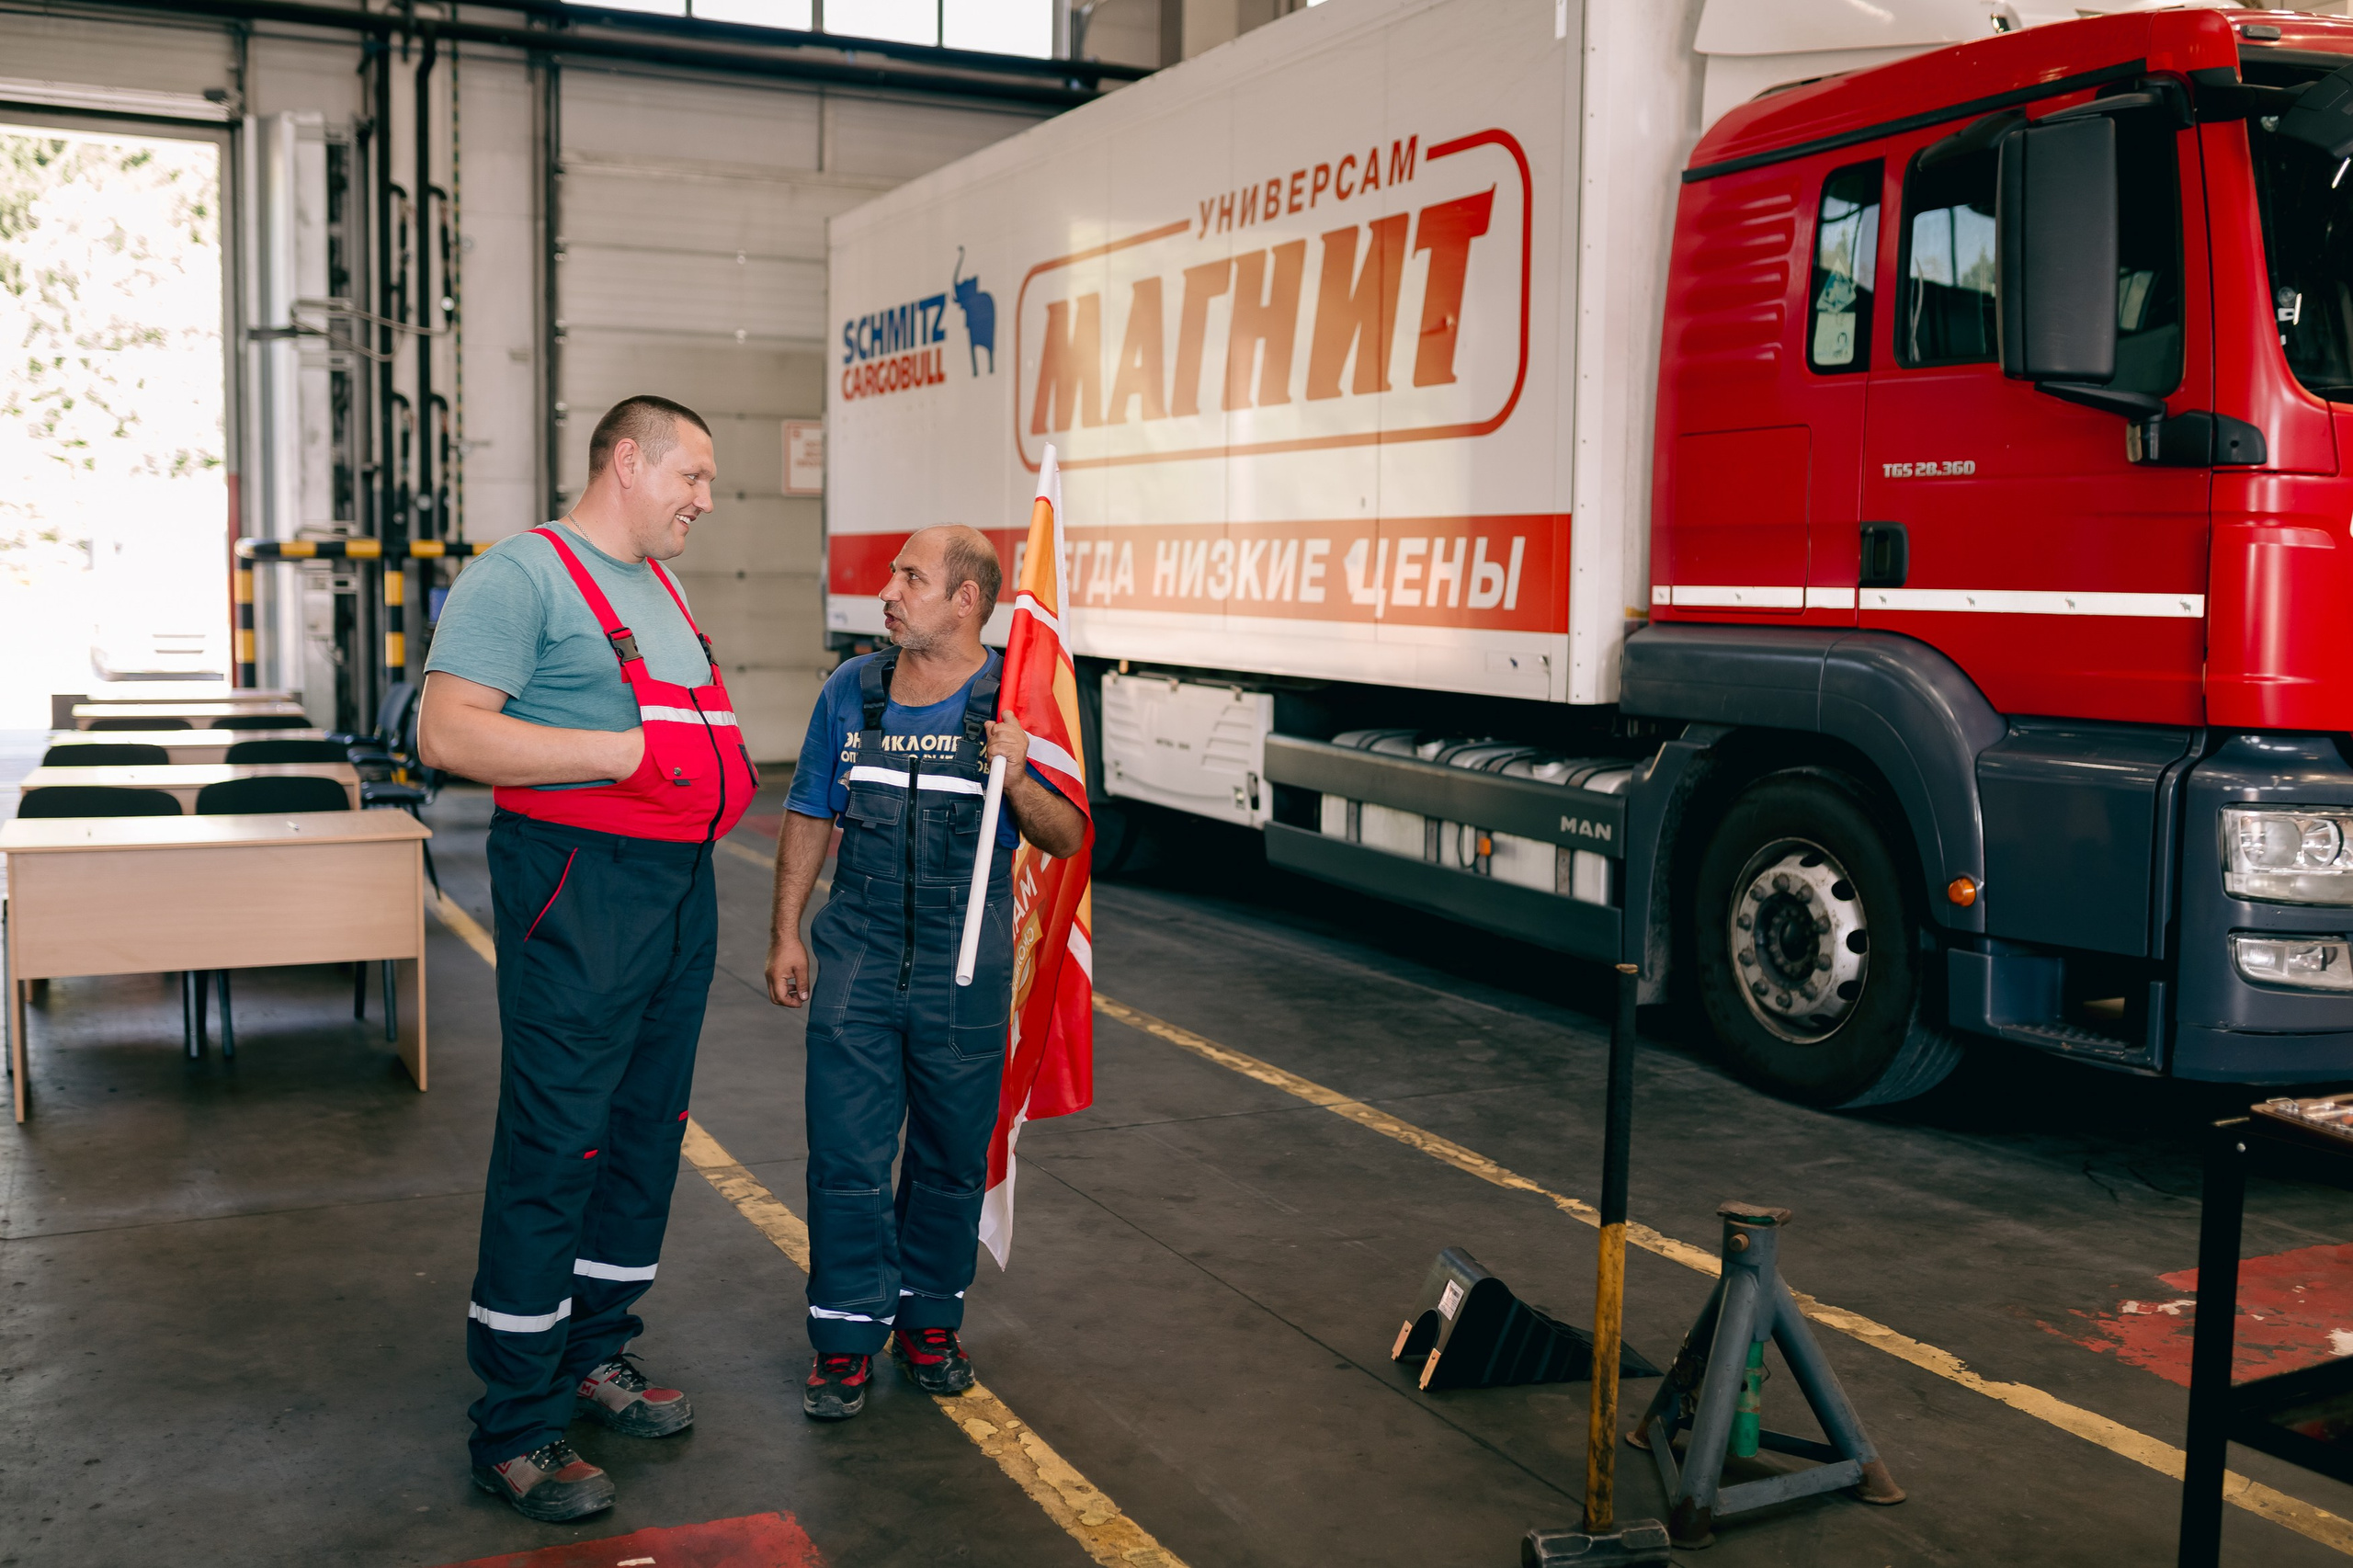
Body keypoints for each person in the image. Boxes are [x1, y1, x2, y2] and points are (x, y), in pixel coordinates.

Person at [417, 394, 756, 1521]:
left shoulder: (656, 585)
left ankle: (594, 1351)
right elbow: (449, 731)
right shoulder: (523, 575)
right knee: (557, 1138)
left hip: (676, 892)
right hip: (580, 886)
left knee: (645, 1130)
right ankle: (514, 1421)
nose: (706, 500)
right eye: (693, 476)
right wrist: (618, 749)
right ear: (628, 459)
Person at [765, 524, 1085, 1419]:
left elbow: (1066, 838)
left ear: (967, 598)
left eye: (912, 576)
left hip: (963, 969)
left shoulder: (1011, 704)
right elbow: (806, 809)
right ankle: (842, 1340)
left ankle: (929, 1321)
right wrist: (787, 929)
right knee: (846, 1158)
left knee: (948, 1158)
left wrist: (1016, 775)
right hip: (857, 961)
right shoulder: (852, 691)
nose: (890, 590)